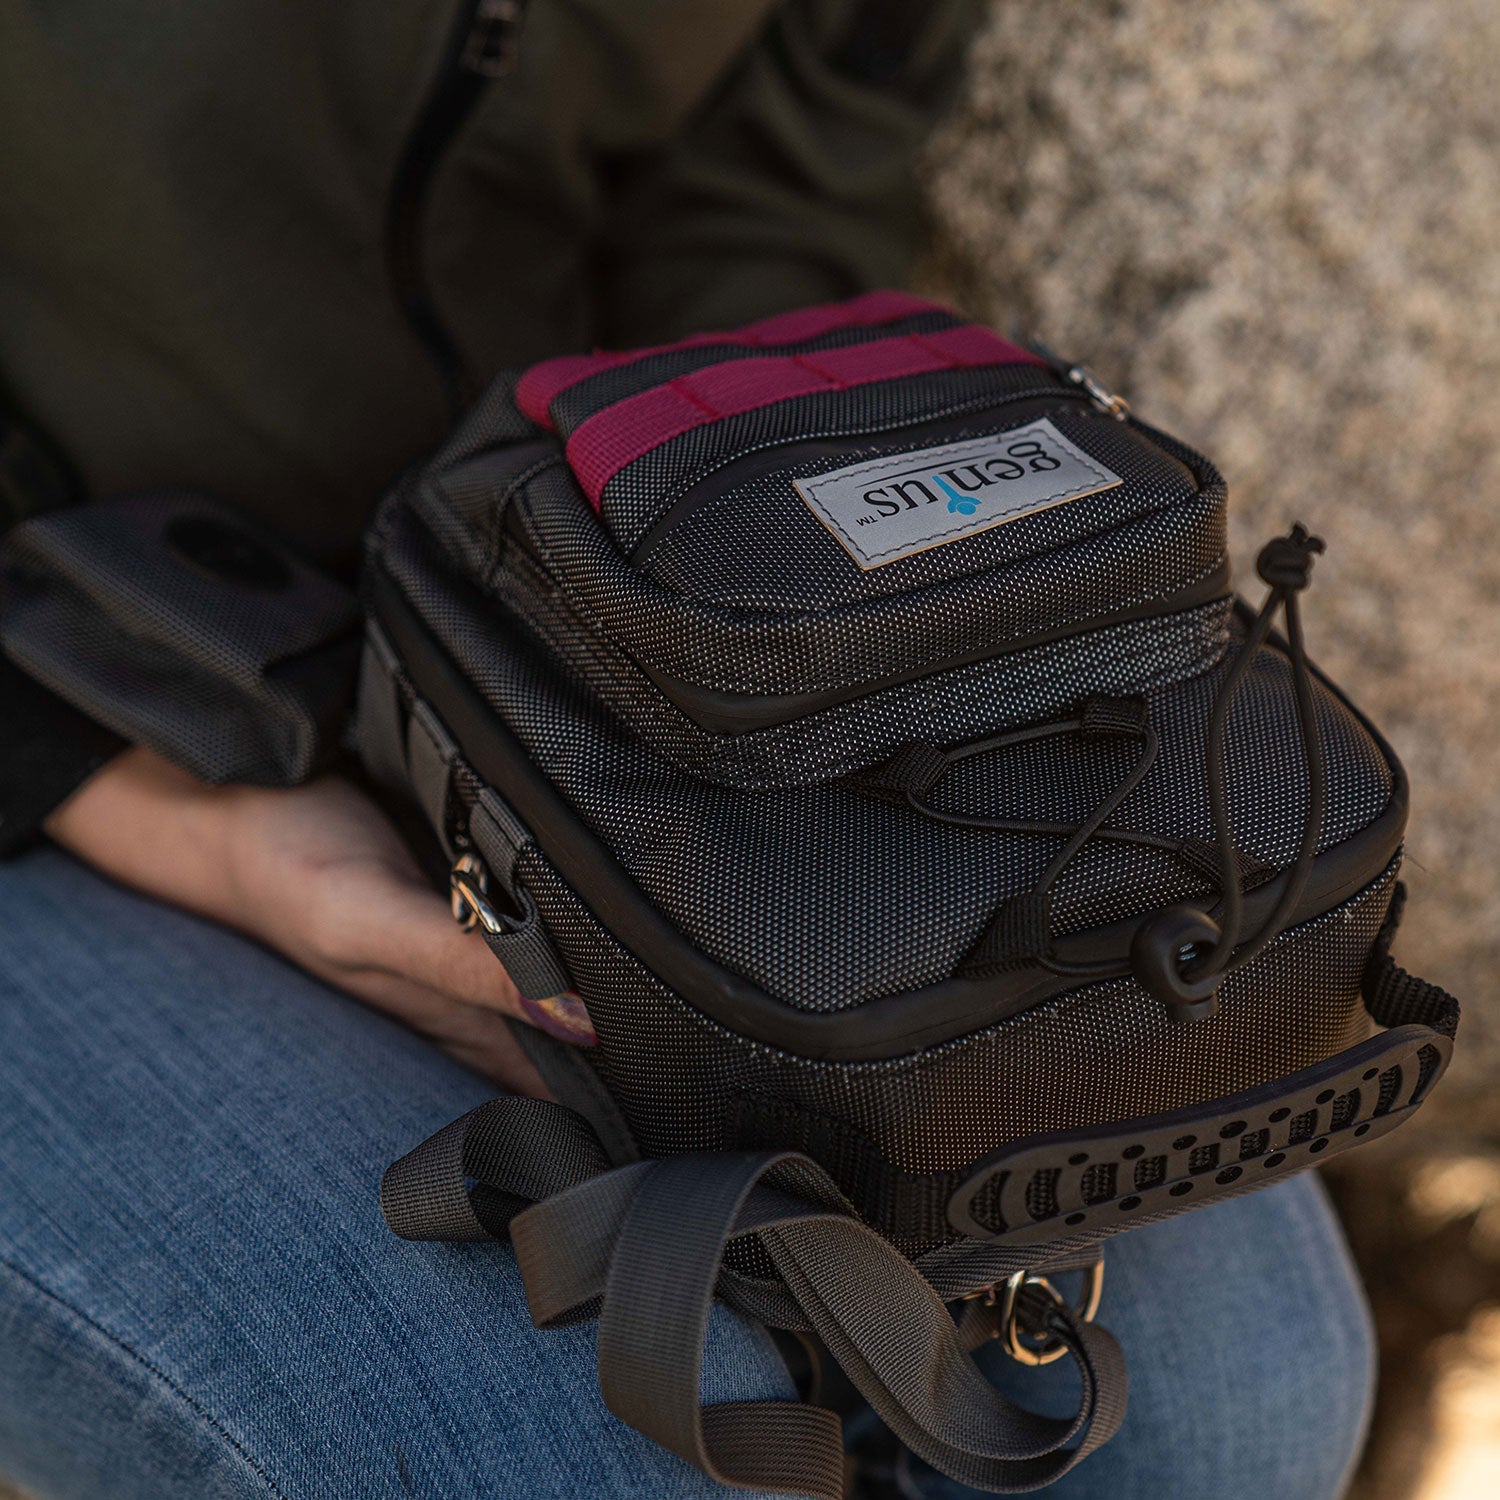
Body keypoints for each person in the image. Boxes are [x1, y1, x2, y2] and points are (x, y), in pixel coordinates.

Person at [0, 4, 1375, 1496]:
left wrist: (730, 567)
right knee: (576, 1456)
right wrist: (143, 799)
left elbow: (777, 157)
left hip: (583, 618)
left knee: (1237, 1413)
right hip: (81, 709)